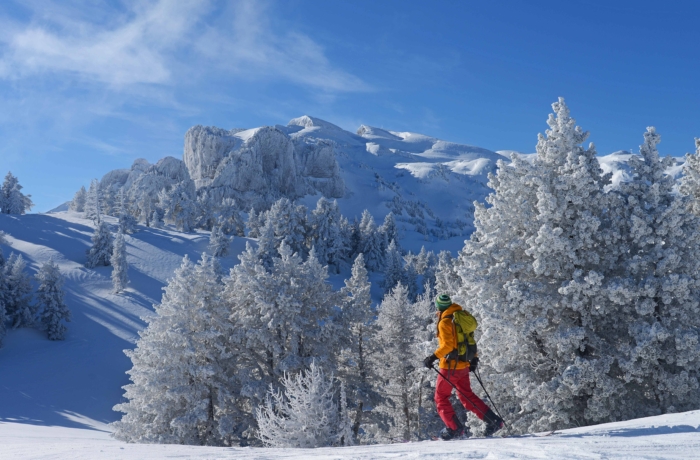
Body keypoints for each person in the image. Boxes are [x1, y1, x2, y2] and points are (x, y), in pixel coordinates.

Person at [423, 294, 504, 440]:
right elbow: (470, 339)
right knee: (466, 395)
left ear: (439, 307)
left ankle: (454, 429)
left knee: (441, 397)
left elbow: (448, 346)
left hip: (450, 367)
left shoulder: (445, 322)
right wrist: (474, 358)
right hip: (464, 364)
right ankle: (494, 421)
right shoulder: (460, 317)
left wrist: (432, 357)